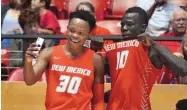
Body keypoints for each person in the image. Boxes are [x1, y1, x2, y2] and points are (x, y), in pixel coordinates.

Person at [101, 7, 187, 110]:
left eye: (129, 24)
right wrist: (91, 49)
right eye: (123, 24)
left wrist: (154, 44)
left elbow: (183, 69)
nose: (124, 28)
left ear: (143, 28)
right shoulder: (114, 49)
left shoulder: (151, 49)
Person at [23, 10, 105, 110]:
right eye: (72, 30)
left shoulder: (96, 60)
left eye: (81, 33)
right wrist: (28, 61)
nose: (75, 35)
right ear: (67, 28)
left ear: (89, 34)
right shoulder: (48, 53)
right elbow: (29, 81)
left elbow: (98, 101)